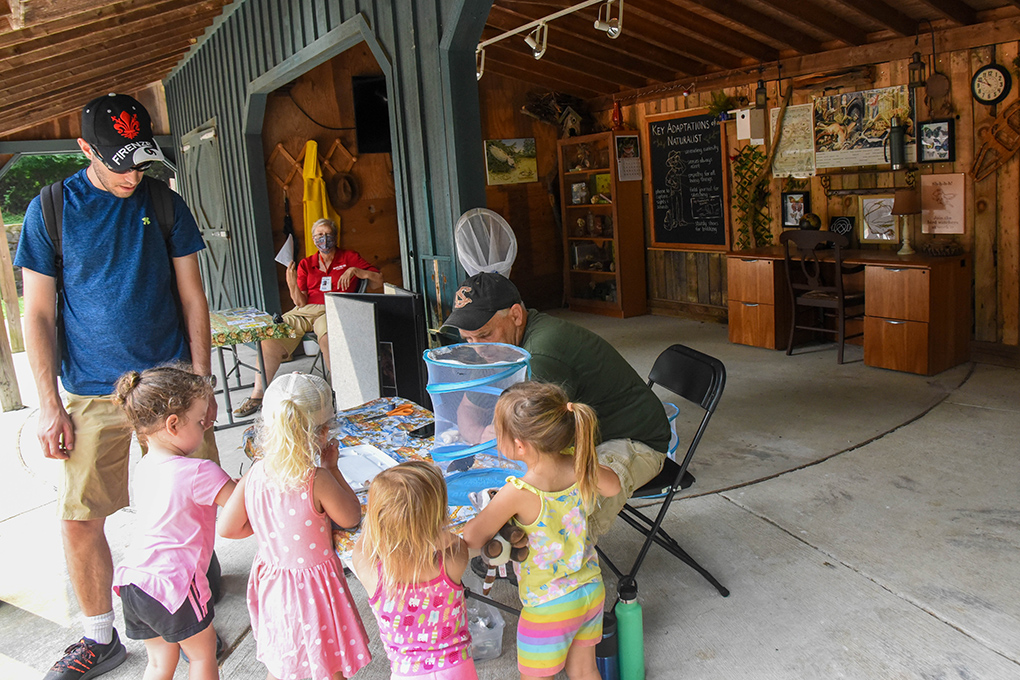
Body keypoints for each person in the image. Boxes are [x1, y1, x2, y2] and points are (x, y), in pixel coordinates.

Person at [15, 93, 220, 680]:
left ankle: (191, 607)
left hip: (172, 390)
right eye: (119, 162)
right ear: (85, 150)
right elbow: (36, 314)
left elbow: (192, 298)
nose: (133, 173)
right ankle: (100, 637)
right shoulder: (49, 210)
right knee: (81, 516)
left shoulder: (164, 201)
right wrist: (48, 405)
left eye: (140, 160)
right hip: (88, 391)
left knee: (195, 503)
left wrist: (202, 385)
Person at [441, 272, 670, 541]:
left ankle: (565, 574)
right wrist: (481, 435)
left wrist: (498, 440)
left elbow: (538, 446)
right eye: (468, 340)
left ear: (516, 315)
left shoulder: (543, 352)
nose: (478, 348)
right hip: (575, 440)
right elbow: (467, 409)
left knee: (564, 521)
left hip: (632, 441)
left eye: (484, 335)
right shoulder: (496, 348)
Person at [217, 373, 371, 680]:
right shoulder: (317, 479)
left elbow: (227, 528)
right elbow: (351, 517)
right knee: (328, 665)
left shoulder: (254, 474)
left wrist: (269, 526)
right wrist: (332, 467)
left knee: (285, 661)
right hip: (314, 590)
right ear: (323, 432)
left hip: (274, 585)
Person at [462, 382, 621, 680]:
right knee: (585, 671)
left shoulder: (518, 491)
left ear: (520, 445)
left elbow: (472, 537)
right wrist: (584, 460)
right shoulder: (577, 463)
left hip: (549, 605)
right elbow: (612, 486)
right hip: (590, 589)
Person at [112, 366, 235, 680]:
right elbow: (245, 512)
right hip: (174, 584)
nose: (206, 427)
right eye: (200, 421)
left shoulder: (145, 466)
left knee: (158, 663)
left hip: (134, 581)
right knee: (202, 655)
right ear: (173, 423)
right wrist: (249, 482)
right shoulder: (201, 472)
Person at [233, 217, 383, 417]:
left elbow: (378, 280)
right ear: (313, 239)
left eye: (328, 234)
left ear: (336, 236)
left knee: (328, 337)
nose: (324, 239)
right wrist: (291, 283)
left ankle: (340, 393)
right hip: (307, 310)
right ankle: (258, 394)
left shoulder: (349, 257)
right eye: (319, 235)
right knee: (272, 333)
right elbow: (300, 303)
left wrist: (356, 271)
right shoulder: (306, 263)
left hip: (335, 307)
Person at [351, 461, 476, 679]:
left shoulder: (370, 571)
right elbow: (456, 542)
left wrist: (381, 519)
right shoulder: (451, 562)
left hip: (407, 673)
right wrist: (430, 532)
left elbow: (365, 542)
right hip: (457, 669)